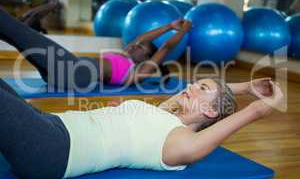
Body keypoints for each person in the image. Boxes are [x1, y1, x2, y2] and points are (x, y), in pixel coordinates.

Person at [0, 76, 283, 179]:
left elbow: (241, 112)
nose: (189, 87)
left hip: (52, 149)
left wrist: (262, 106)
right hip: (50, 124)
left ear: (210, 111)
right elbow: (216, 97)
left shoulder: (179, 143)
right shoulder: (167, 112)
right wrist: (246, 86)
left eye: (201, 88)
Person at [0, 7, 191, 90]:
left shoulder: (138, 71)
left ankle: (28, 23)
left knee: (17, 31)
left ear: (146, 58)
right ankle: (26, 25)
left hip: (75, 73)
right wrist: (169, 26)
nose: (135, 45)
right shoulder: (126, 55)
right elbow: (142, 37)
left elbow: (166, 47)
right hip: (67, 69)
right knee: (16, 37)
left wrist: (184, 30)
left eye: (140, 47)